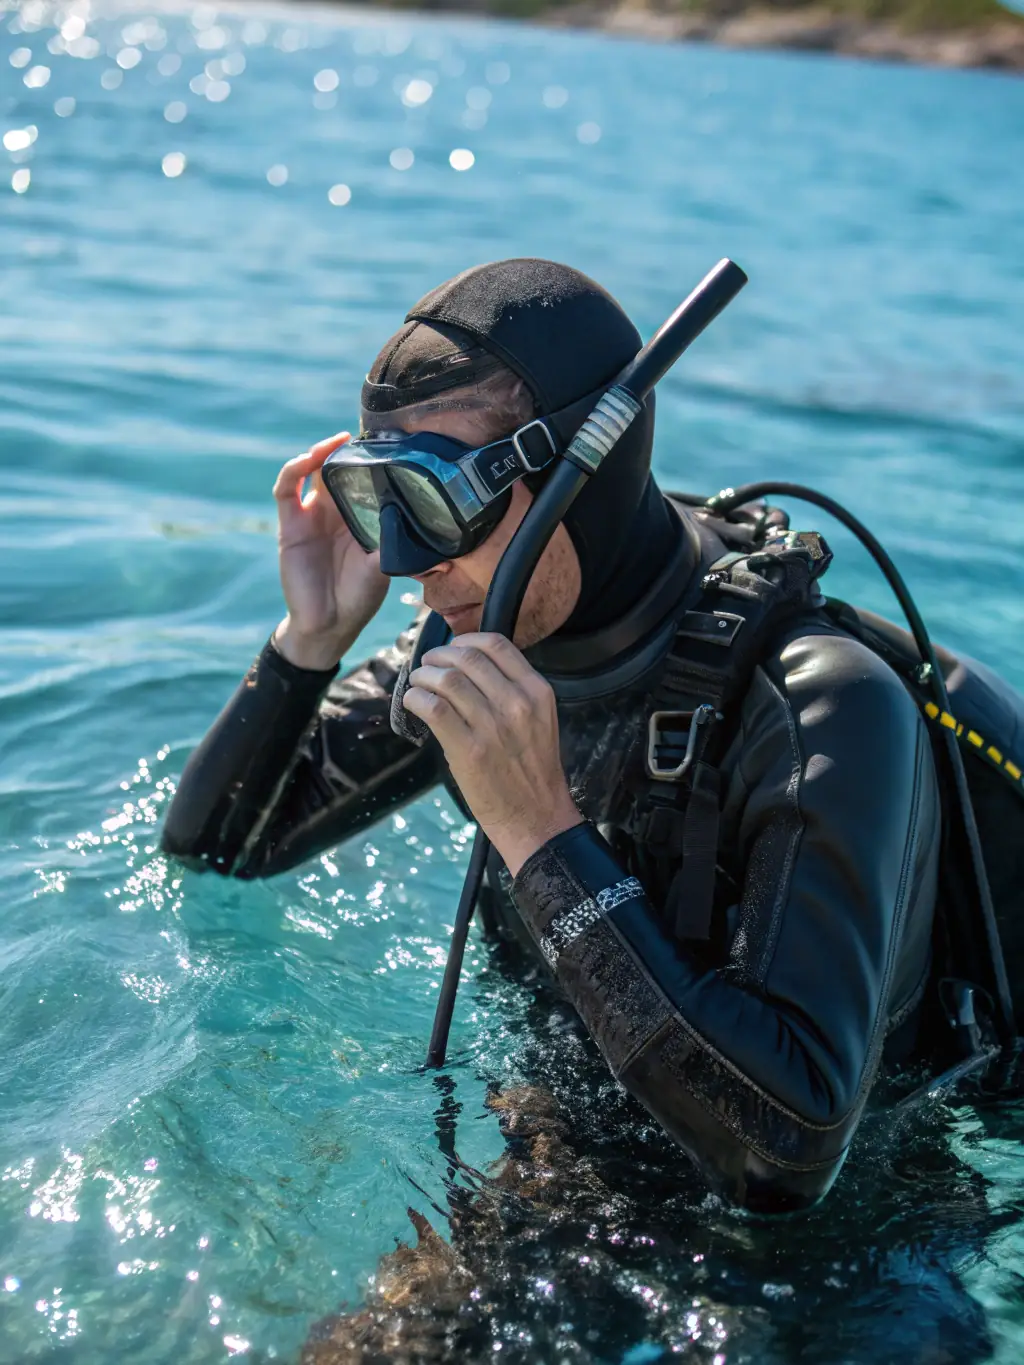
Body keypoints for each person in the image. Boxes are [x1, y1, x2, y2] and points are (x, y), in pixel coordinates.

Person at [162, 258, 1023, 1214]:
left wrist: (540, 832)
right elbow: (218, 850)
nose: (409, 562)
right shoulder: (476, 636)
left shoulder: (823, 707)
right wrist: (308, 645)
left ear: (584, 472)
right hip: (575, 1156)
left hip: (845, 1250)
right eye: (382, 499)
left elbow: (784, 1156)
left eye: (439, 500)